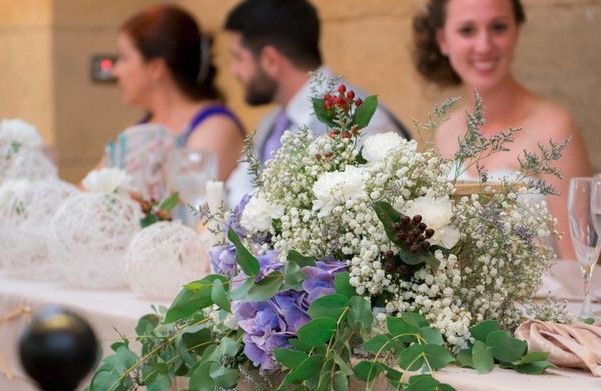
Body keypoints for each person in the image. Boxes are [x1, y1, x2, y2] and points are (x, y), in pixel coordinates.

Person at [413, 0, 592, 259]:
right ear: (442, 40)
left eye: (498, 27)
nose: (484, 46)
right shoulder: (445, 131)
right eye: (467, 30)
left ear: (516, 32)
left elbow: (581, 262)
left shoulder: (555, 130)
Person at [223, 0, 411, 206]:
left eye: (238, 58)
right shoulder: (271, 124)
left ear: (270, 60)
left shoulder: (358, 120)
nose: (234, 71)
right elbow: (239, 194)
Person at [111, 4, 245, 183]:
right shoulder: (138, 129)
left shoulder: (214, 127)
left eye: (124, 58)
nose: (115, 71)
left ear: (155, 68)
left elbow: (189, 205)